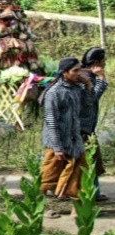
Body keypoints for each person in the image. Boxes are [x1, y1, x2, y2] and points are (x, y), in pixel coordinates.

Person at [41, 58, 88, 210]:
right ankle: (42, 209)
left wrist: (88, 86)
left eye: (79, 70)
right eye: (75, 71)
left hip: (74, 138)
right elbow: (51, 121)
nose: (78, 74)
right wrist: (57, 147)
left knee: (81, 172)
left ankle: (77, 209)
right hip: (57, 141)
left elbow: (89, 105)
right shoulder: (54, 93)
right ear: (64, 72)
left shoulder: (77, 88)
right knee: (48, 177)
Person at [79, 48, 109, 201]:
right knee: (87, 162)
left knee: (93, 161)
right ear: (97, 62)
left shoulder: (88, 76)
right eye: (103, 60)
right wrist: (102, 78)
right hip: (81, 128)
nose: (105, 63)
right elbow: (92, 99)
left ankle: (95, 193)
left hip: (87, 128)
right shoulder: (85, 78)